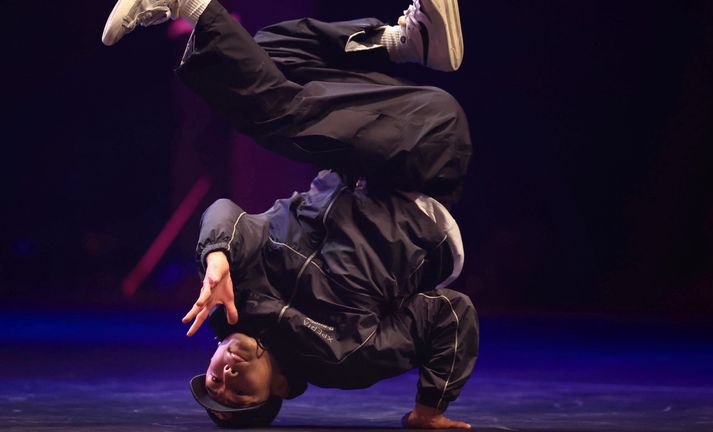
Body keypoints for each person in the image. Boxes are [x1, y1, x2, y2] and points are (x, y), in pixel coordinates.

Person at [103, 0, 477, 428]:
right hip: (422, 162)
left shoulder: (237, 293)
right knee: (283, 117)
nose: (226, 375)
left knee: (268, 51)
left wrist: (217, 256)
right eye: (240, 392)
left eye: (213, 380)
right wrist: (430, 410)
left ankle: (404, 42)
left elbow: (224, 211)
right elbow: (451, 313)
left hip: (371, 146)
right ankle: (186, 3)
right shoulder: (343, 358)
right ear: (279, 387)